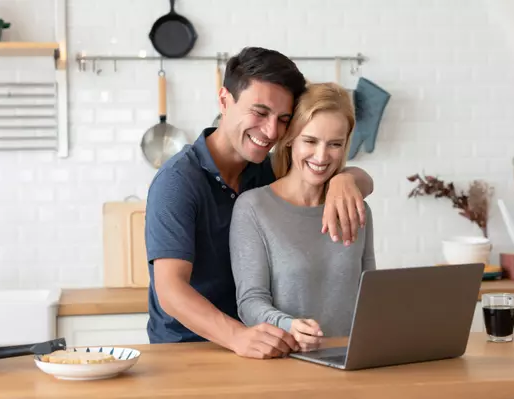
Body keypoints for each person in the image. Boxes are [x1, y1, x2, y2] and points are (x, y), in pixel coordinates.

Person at [144, 46, 375, 359]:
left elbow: (341, 176)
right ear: (225, 101)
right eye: (260, 112)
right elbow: (170, 291)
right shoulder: (177, 183)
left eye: (282, 119)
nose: (270, 132)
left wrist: (345, 180)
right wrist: (238, 336)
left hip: (258, 344)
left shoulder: (264, 169)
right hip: (189, 349)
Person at [229, 82, 376, 352]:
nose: (321, 156)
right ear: (290, 140)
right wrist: (287, 325)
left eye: (335, 144)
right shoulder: (253, 208)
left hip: (351, 360)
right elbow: (250, 302)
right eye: (310, 141)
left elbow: (369, 296)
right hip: (285, 358)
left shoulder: (357, 209)